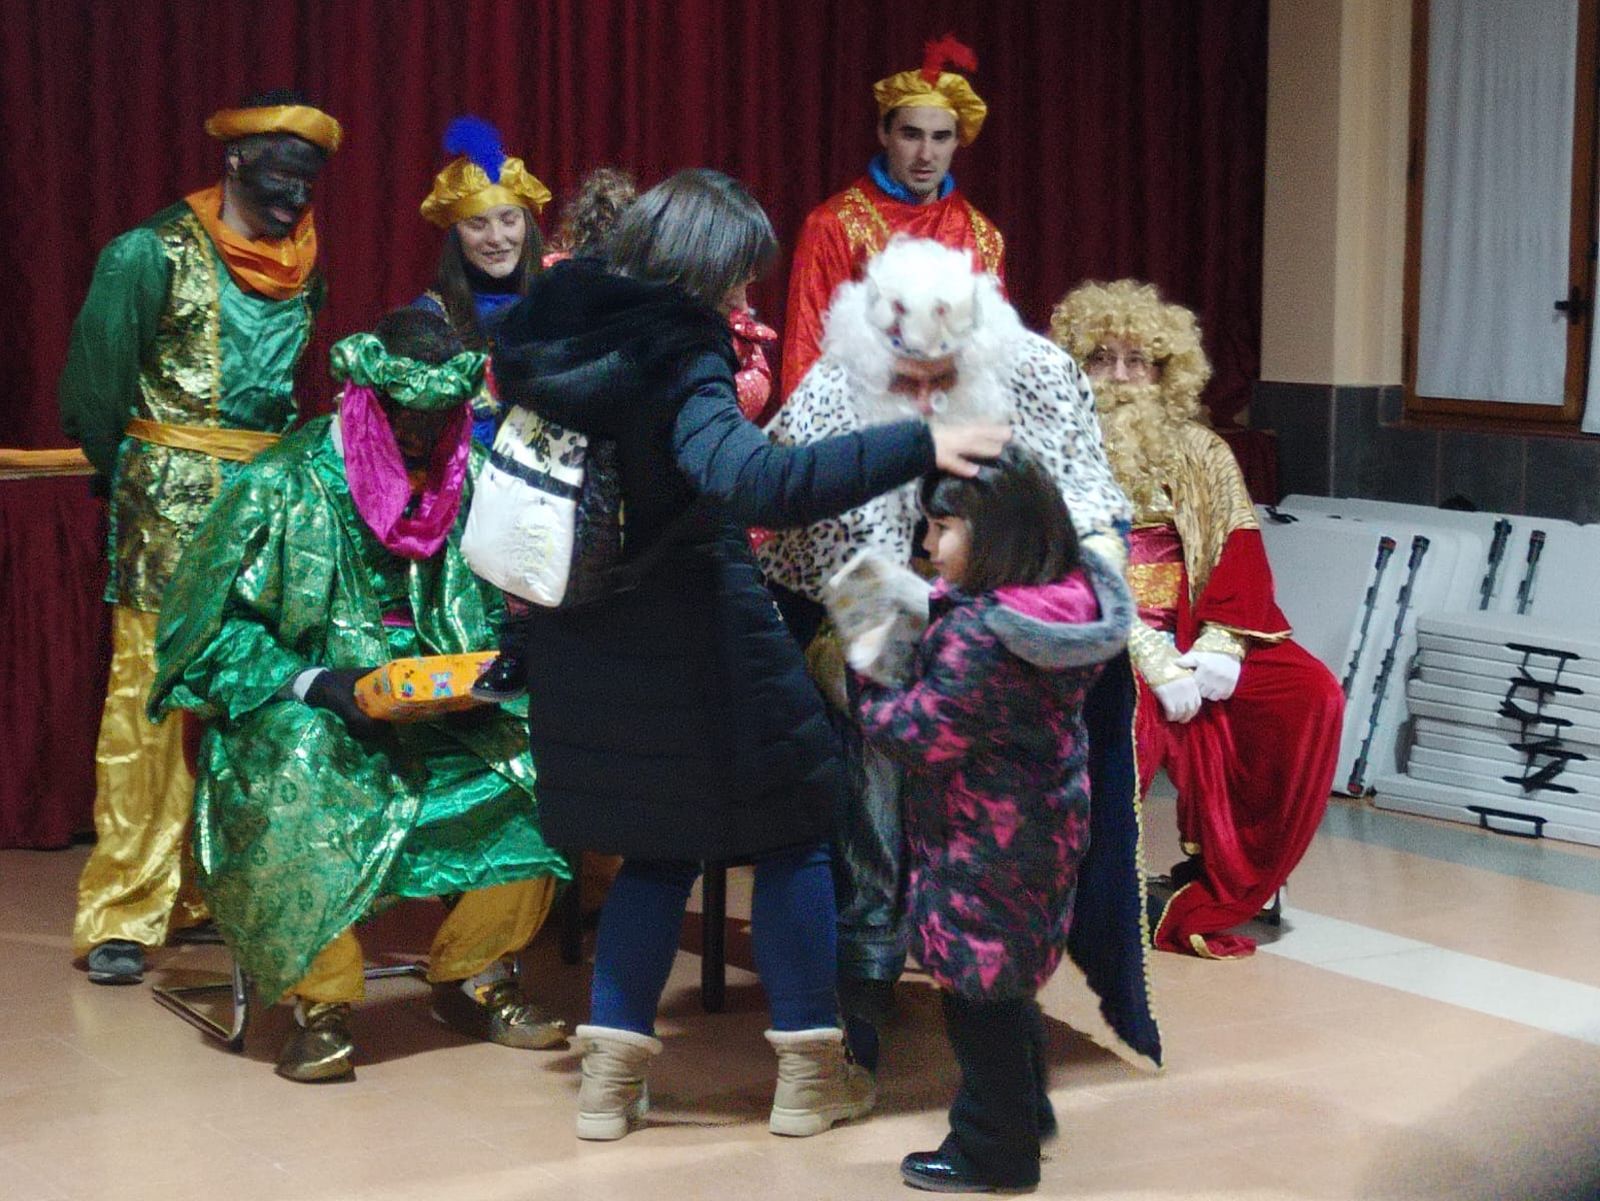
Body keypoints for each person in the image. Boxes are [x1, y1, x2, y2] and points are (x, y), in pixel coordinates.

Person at [488, 169, 1012, 1141]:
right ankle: (811, 1077)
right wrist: (921, 444)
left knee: (654, 848)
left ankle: (606, 1087)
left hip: (586, 628)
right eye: (738, 275)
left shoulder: (561, 335)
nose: (745, 295)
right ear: (704, 267)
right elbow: (756, 481)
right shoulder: (679, 349)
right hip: (698, 629)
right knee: (799, 823)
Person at [756, 237, 1148, 1075]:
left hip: (1000, 613)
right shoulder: (834, 385)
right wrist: (882, 650)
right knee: (878, 747)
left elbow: (1086, 499)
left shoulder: (1036, 372)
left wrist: (1074, 591)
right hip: (870, 601)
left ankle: (994, 973)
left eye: (946, 377)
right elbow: (811, 531)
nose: (929, 398)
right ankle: (867, 965)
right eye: (909, 382)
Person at [147, 308, 570, 1082]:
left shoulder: (471, 479)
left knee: (539, 761)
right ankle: (323, 1001)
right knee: (298, 764)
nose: (419, 436)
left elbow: (509, 606)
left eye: (438, 420)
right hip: (310, 705)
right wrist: (315, 682)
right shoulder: (282, 483)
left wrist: (500, 663)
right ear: (364, 401)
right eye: (403, 416)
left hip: (442, 709)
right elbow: (204, 639)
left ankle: (472, 971)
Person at [60, 90, 341, 986]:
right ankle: (125, 909)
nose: (296, 194)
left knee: (250, 699)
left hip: (264, 513)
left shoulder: (304, 265)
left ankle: (217, 888)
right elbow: (95, 396)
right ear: (234, 162)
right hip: (168, 507)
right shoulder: (147, 254)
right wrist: (141, 477)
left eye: (309, 180)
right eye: (281, 174)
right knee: (150, 708)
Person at [856, 446, 1133, 1193]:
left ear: (997, 532)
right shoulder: (1056, 606)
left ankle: (992, 1149)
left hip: (979, 840)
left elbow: (917, 733)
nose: (926, 544)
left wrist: (870, 666)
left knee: (977, 997)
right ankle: (1026, 1112)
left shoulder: (982, 635)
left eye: (942, 527)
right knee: (1006, 983)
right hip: (1041, 827)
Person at [1051, 279, 1342, 958]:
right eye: (1102, 359)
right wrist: (1149, 654)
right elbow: (1057, 569)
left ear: (1166, 370)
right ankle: (1088, 894)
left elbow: (1239, 553)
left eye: (1139, 361)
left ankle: (1234, 873)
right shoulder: (1048, 450)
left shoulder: (1203, 450)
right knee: (1128, 709)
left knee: (1309, 694)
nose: (1122, 377)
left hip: (1194, 621)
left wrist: (1222, 644)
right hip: (1090, 626)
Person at [780, 35, 1005, 400]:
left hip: (956, 422)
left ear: (957, 141)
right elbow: (804, 353)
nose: (926, 154)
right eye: (911, 135)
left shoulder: (982, 237)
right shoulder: (835, 225)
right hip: (863, 422)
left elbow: (996, 358)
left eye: (940, 137)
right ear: (884, 134)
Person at [415, 115, 552, 446]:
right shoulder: (431, 318)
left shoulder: (559, 304)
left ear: (527, 225)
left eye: (508, 220)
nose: (496, 238)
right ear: (455, 236)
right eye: (477, 225)